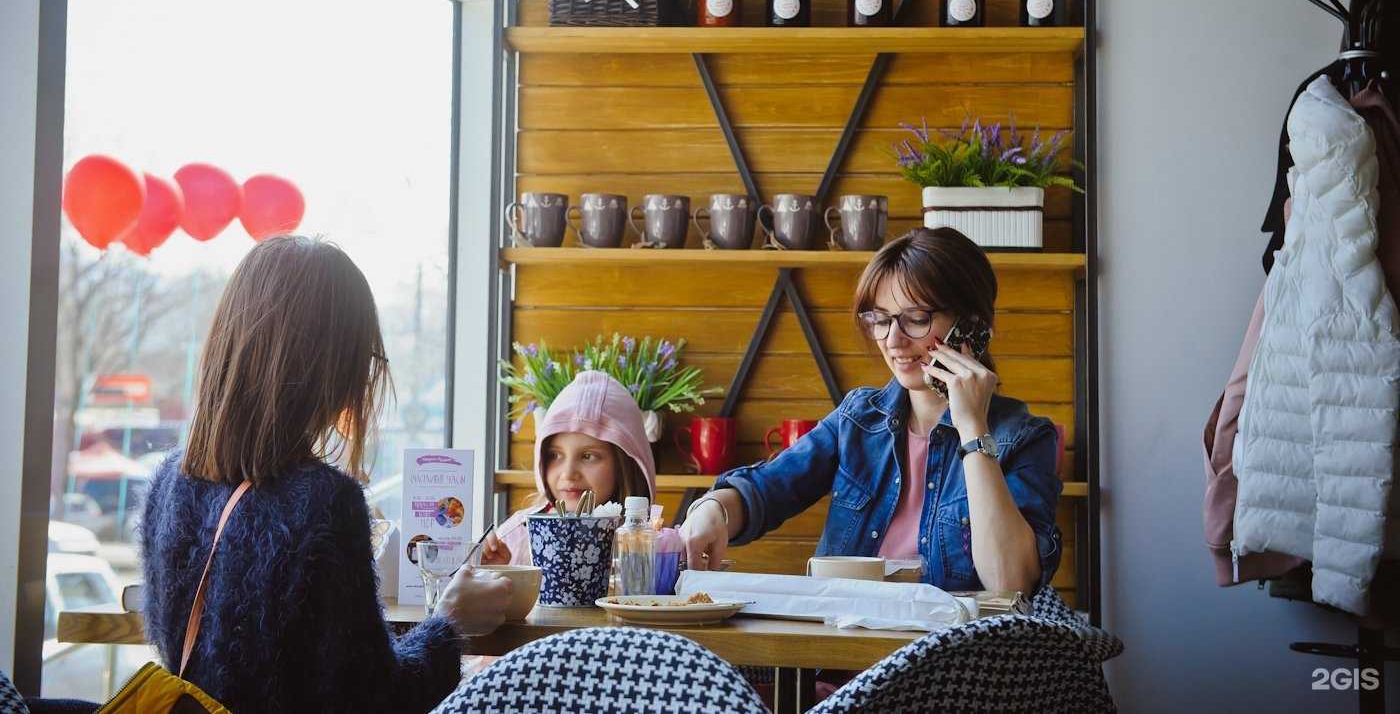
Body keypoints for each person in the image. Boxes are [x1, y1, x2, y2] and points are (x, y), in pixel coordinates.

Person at [140, 237, 511, 714]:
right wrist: (450, 621)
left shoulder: (168, 485)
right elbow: (381, 700)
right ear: (330, 367)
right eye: (364, 360)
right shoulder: (323, 502)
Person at [680, 226, 1062, 595]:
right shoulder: (858, 419)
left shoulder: (1023, 437)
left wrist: (973, 430)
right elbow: (768, 488)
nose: (893, 340)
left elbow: (1010, 582)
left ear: (971, 326)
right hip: (846, 633)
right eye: (880, 319)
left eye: (916, 319)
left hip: (948, 640)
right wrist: (714, 509)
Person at [478, 370, 656, 565]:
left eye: (588, 456)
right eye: (555, 455)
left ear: (624, 465)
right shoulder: (515, 536)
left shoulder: (648, 542)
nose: (568, 473)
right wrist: (495, 571)